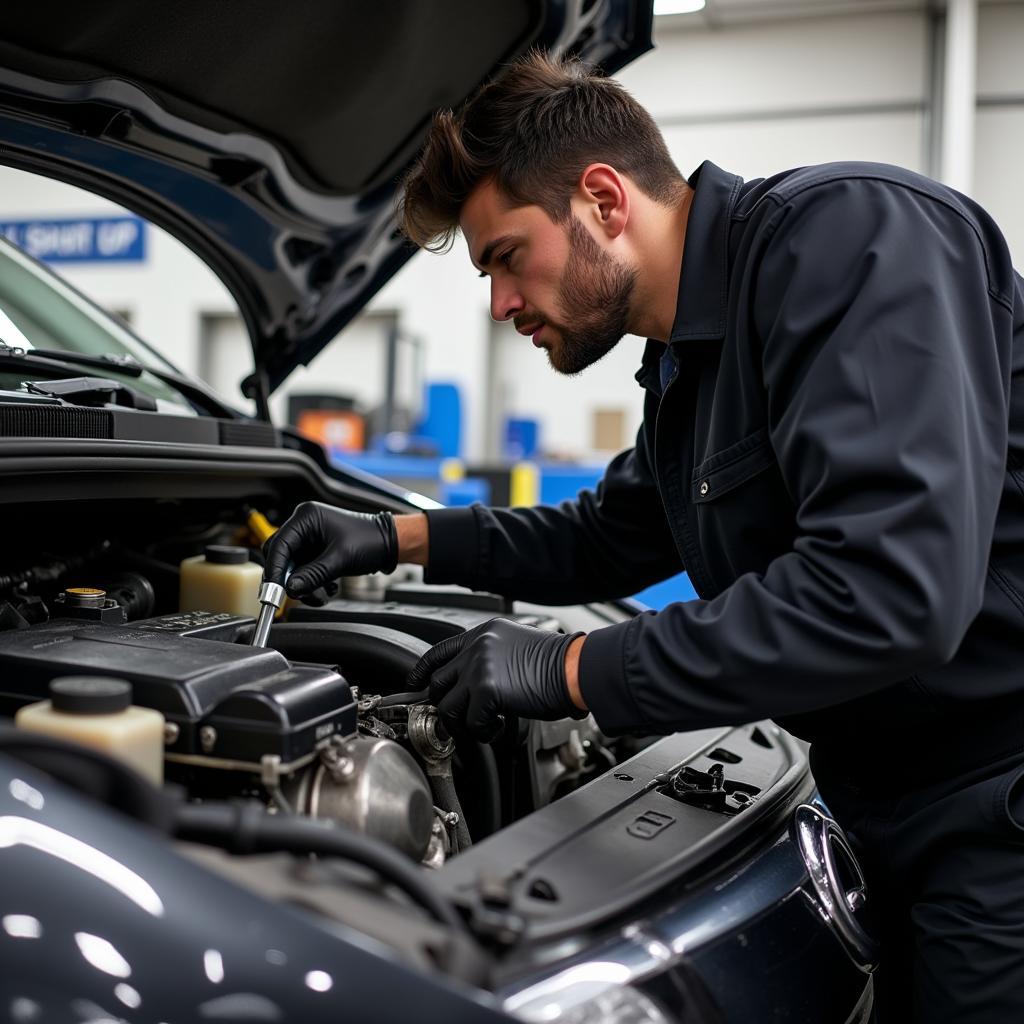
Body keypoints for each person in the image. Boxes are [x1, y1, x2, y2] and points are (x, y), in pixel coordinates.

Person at [263, 51, 1024, 1022]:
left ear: (602, 199)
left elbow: (889, 593)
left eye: (503, 256)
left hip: (995, 802)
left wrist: (569, 669)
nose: (499, 304)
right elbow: (607, 536)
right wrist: (392, 533)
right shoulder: (686, 367)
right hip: (880, 790)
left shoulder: (855, 242)